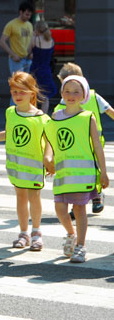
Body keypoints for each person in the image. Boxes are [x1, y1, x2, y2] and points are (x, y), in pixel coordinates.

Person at [44, 75, 109, 263]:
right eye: (67, 91)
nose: (71, 95)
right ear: (62, 94)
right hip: (63, 173)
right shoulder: (56, 116)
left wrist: (103, 171)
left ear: (84, 95)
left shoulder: (88, 117)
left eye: (76, 91)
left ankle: (81, 245)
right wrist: (48, 157)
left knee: (79, 209)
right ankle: (71, 234)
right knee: (60, 208)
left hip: (83, 174)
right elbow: (50, 139)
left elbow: (97, 146)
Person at [0, 72, 49, 251]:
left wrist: (49, 159)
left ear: (32, 93)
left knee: (34, 196)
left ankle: (36, 233)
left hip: (35, 166)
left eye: (22, 92)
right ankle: (23, 233)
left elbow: (49, 141)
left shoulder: (42, 118)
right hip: (15, 165)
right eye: (14, 92)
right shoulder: (10, 112)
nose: (17, 96)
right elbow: (9, 134)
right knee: (21, 197)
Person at [54, 63, 113, 214]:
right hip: (74, 146)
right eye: (66, 89)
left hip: (94, 142)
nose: (70, 94)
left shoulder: (92, 96)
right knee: (78, 172)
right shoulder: (60, 107)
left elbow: (109, 111)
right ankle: (78, 203)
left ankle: (97, 196)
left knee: (95, 170)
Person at [29, 21, 58, 112]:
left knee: (33, 94)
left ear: (37, 30)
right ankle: (44, 116)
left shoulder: (35, 39)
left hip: (35, 69)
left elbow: (27, 52)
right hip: (46, 70)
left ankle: (32, 114)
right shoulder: (51, 40)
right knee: (45, 97)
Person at [0, 2, 34, 76]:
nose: (28, 17)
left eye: (30, 15)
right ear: (20, 12)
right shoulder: (11, 24)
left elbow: (31, 40)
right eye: (27, 14)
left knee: (26, 84)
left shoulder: (29, 25)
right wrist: (13, 55)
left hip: (28, 59)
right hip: (17, 59)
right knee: (18, 85)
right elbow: (2, 42)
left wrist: (31, 53)